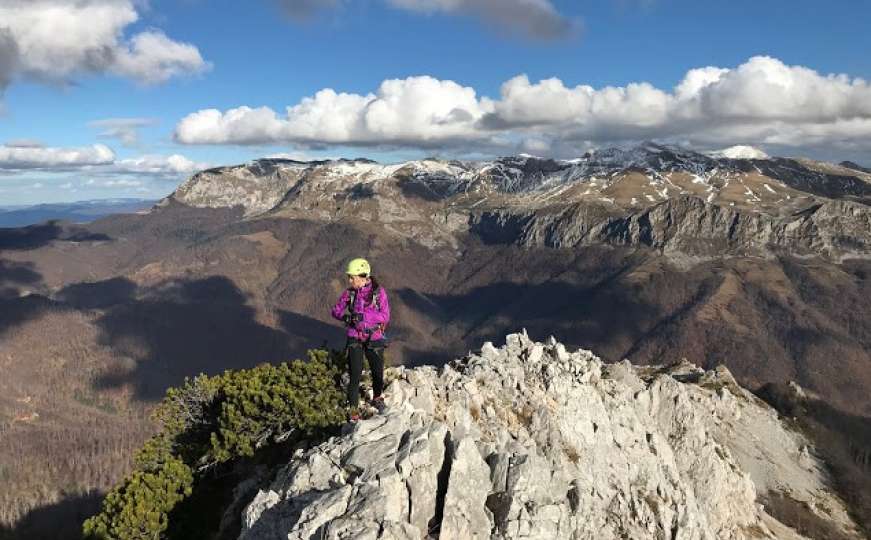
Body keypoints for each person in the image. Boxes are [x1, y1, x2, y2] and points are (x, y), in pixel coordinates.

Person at [331, 258, 390, 421]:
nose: (350, 280)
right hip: (355, 337)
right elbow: (335, 311)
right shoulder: (349, 294)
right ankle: (353, 411)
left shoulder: (379, 293)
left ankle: (377, 397)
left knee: (377, 372)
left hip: (374, 336)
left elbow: (385, 316)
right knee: (354, 374)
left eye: (352, 277)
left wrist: (364, 316)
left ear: (363, 276)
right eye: (349, 277)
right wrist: (347, 318)